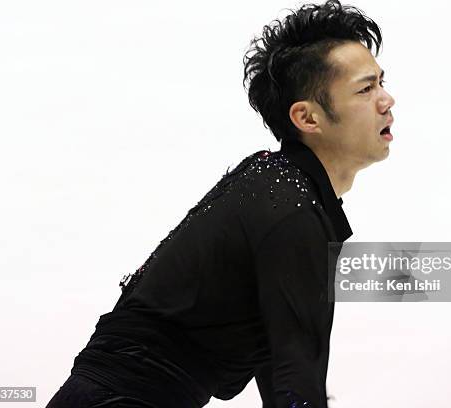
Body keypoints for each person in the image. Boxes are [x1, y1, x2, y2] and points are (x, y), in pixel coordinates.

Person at [46, 0, 395, 407]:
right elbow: (297, 384)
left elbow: (279, 359)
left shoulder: (278, 188)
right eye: (366, 88)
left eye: (381, 82)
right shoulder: (291, 212)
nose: (387, 99)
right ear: (307, 118)